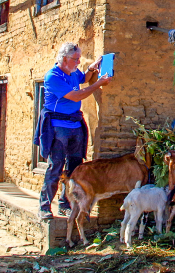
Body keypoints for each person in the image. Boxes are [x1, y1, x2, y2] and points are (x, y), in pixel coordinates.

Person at [34, 42, 112, 220]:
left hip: (75, 125)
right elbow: (76, 95)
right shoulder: (53, 77)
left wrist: (91, 70)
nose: (78, 62)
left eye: (78, 59)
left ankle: (65, 203)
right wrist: (98, 83)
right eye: (75, 59)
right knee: (56, 167)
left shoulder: (72, 72)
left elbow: (82, 78)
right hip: (58, 127)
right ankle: (44, 207)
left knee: (74, 169)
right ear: (64, 59)